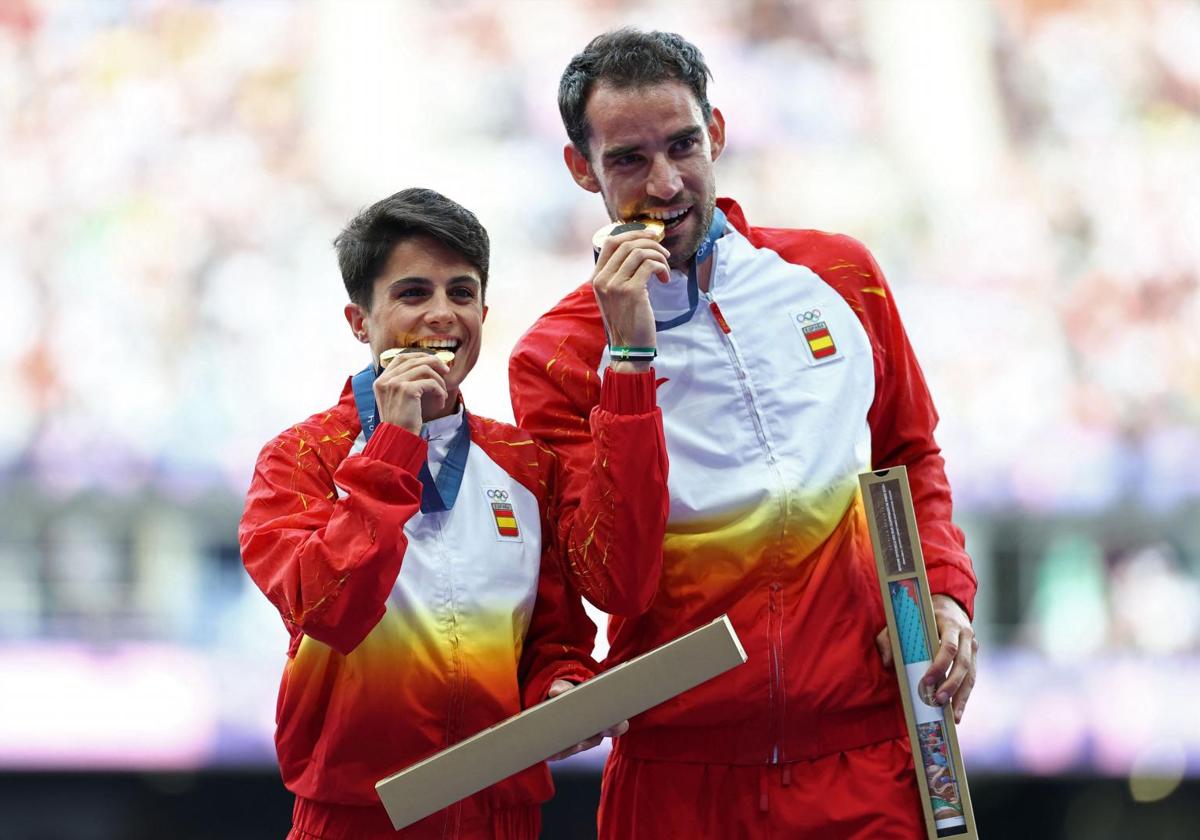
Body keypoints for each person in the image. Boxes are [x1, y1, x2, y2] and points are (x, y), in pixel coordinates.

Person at [509, 29, 979, 838]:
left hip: (864, 752)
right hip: (680, 780)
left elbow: (910, 454)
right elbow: (613, 582)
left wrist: (941, 591)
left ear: (717, 132)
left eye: (683, 145)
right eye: (627, 160)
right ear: (580, 169)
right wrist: (628, 356)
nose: (665, 183)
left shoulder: (839, 275)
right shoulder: (556, 355)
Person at [239, 187, 668, 840]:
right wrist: (393, 447)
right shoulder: (298, 462)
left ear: (484, 312)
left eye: (462, 294)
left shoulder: (525, 463)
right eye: (414, 294)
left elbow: (554, 640)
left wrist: (562, 687)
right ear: (360, 321)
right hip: (358, 821)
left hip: (504, 818)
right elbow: (333, 612)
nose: (443, 316)